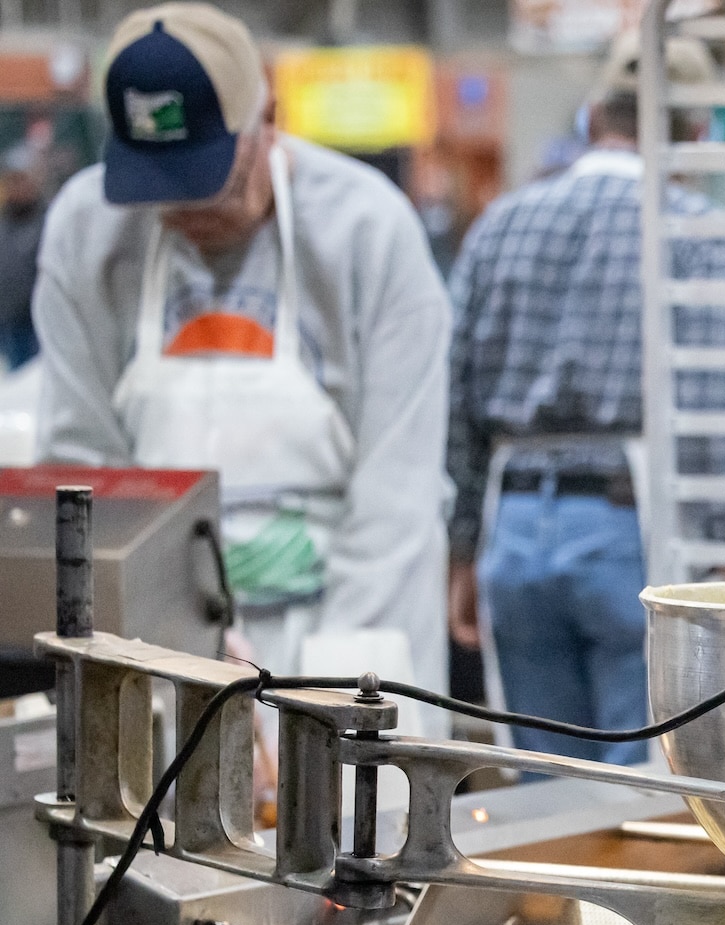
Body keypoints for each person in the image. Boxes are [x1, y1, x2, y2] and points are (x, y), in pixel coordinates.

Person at [33, 3, 450, 716]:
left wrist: (315, 714)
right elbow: (83, 469)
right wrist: (172, 656)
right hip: (158, 640)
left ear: (269, 118)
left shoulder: (367, 231)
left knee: (340, 818)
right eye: (155, 187)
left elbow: (395, 504)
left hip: (346, 632)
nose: (182, 208)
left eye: (208, 180)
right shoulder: (88, 229)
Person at [444, 34, 725, 766]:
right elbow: (717, 401)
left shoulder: (500, 225)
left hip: (514, 524)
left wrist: (463, 547)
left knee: (546, 783)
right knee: (637, 783)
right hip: (630, 525)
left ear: (591, 118)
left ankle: (548, 889)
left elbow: (456, 398)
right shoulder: (693, 232)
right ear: (697, 132)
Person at [0, 143, 45, 370]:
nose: (18, 186)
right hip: (10, 322)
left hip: (40, 323)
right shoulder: (5, 224)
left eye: (22, 179)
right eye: (13, 180)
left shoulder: (48, 220)